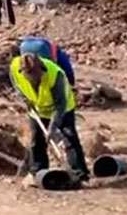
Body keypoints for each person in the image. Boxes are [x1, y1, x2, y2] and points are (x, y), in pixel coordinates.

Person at [9, 52, 90, 181]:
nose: (34, 79)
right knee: (37, 139)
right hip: (38, 109)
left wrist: (52, 128)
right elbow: (14, 81)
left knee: (69, 137)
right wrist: (22, 97)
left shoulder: (54, 75)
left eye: (36, 75)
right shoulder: (15, 66)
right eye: (29, 76)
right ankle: (38, 171)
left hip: (62, 108)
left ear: (41, 69)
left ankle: (79, 173)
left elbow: (60, 106)